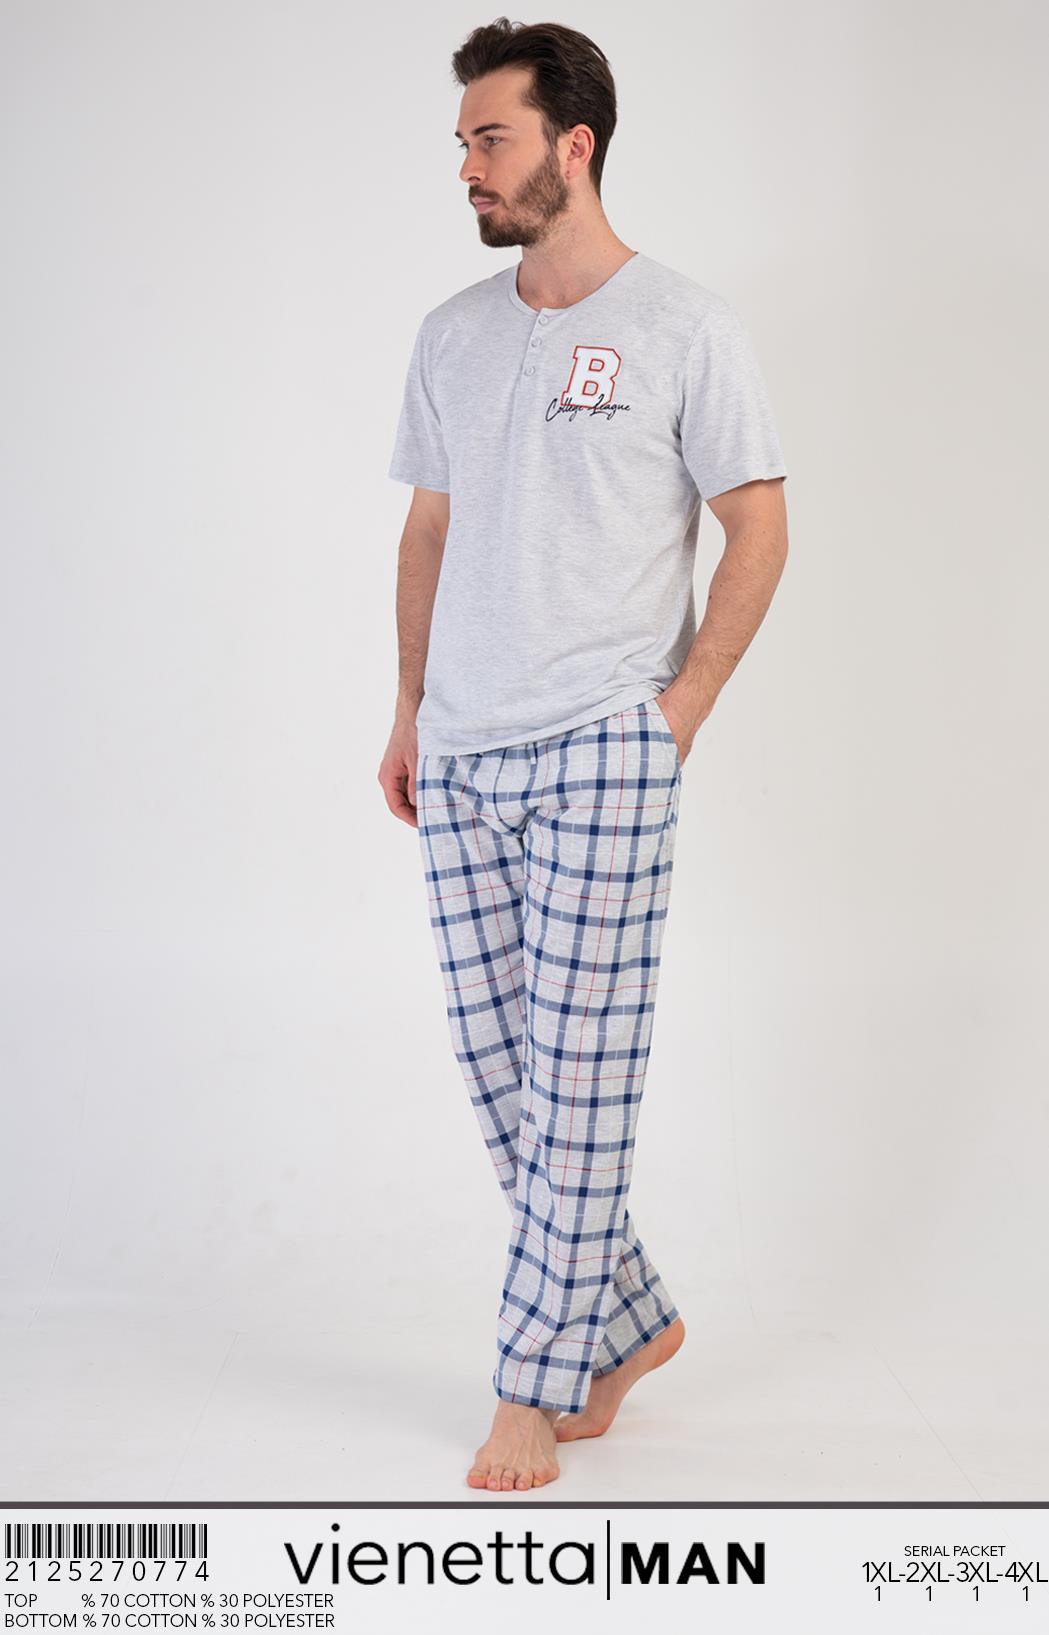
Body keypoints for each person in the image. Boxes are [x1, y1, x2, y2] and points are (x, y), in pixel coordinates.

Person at [379, 16, 789, 1493]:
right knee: (508, 1084)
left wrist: (675, 716)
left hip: (605, 748)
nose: (468, 168)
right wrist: (409, 709)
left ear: (574, 144)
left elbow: (758, 527)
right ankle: (632, 1324)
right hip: (462, 753)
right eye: (462, 144)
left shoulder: (686, 326)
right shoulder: (451, 333)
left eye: (489, 139)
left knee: (580, 1088)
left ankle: (530, 1384)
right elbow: (428, 530)